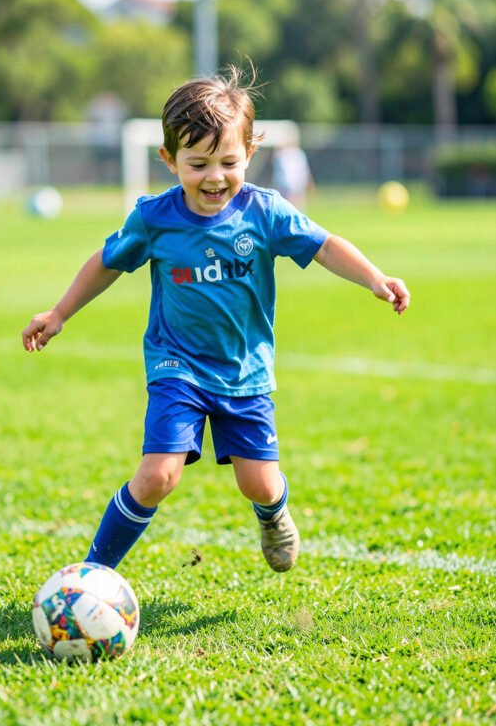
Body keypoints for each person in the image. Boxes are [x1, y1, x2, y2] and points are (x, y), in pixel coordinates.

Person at [22, 68, 410, 574]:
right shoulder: (154, 218)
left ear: (250, 154)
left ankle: (273, 515)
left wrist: (376, 279)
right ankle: (93, 575)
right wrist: (59, 312)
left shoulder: (265, 212)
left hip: (244, 372)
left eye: (228, 161)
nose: (215, 176)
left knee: (260, 485)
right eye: (197, 163)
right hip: (176, 365)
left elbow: (325, 246)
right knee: (157, 475)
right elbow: (107, 261)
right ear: (169, 160)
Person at [272, 139, 314, 209]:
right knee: (287, 205)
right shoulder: (282, 154)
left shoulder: (298, 153)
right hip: (288, 184)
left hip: (295, 183)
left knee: (296, 205)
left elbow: (303, 169)